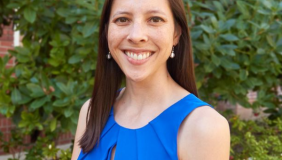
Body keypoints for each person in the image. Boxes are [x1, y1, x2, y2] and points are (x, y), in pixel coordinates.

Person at [71, 0, 230, 159]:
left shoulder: (204, 127)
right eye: (122, 19)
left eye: (155, 19)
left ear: (176, 33)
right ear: (106, 32)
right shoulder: (92, 111)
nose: (136, 36)